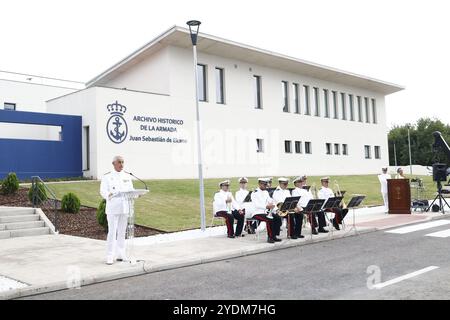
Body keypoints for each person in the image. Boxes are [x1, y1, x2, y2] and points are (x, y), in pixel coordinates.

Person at [100, 155, 135, 265]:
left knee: (121, 232)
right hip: (113, 208)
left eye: (123, 162)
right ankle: (110, 255)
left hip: (124, 208)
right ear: (114, 163)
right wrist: (108, 195)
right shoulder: (107, 177)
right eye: (119, 162)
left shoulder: (127, 176)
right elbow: (103, 191)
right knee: (112, 232)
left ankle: (121, 254)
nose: (122, 164)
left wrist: (137, 194)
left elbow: (131, 190)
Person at [251, 178, 282, 243]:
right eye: (264, 184)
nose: (265, 186)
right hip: (257, 213)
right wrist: (266, 206)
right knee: (269, 219)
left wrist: (276, 210)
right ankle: (270, 237)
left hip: (266, 212)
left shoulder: (266, 192)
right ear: (259, 184)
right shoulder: (254, 193)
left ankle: (274, 236)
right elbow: (256, 205)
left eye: (266, 184)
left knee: (278, 218)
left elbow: (271, 201)